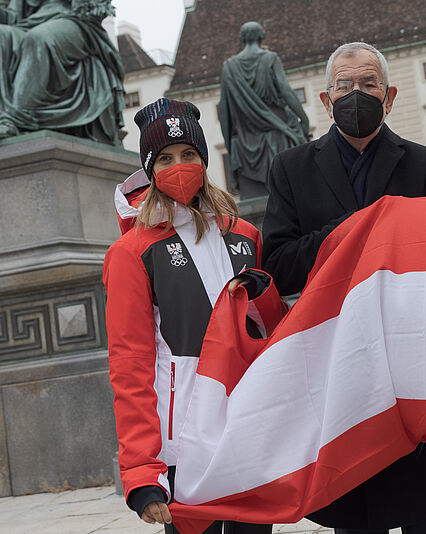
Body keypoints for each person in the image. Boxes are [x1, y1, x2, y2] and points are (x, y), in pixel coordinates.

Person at [261, 42, 426, 534]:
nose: (357, 94)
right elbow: (279, 264)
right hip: (340, 366)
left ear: (390, 95)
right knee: (357, 510)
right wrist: (351, 231)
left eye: (369, 84)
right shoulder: (292, 169)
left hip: (412, 364)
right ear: (325, 100)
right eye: (345, 86)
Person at [103, 98, 286, 534]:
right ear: (149, 169)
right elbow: (130, 365)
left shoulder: (244, 235)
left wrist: (266, 297)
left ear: (204, 160)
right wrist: (142, 471)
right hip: (182, 439)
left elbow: (274, 333)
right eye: (165, 158)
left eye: (189, 155)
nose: (179, 166)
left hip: (247, 421)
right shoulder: (131, 253)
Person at [0, 0, 124, 144]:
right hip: (28, 24)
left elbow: (95, 7)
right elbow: (12, 17)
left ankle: (16, 118)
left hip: (74, 20)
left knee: (39, 39)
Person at [219, 21, 310, 199]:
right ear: (262, 36)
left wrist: (230, 145)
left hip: (245, 139)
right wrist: (304, 119)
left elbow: (224, 108)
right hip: (277, 132)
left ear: (242, 39)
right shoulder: (270, 58)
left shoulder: (229, 67)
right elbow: (285, 90)